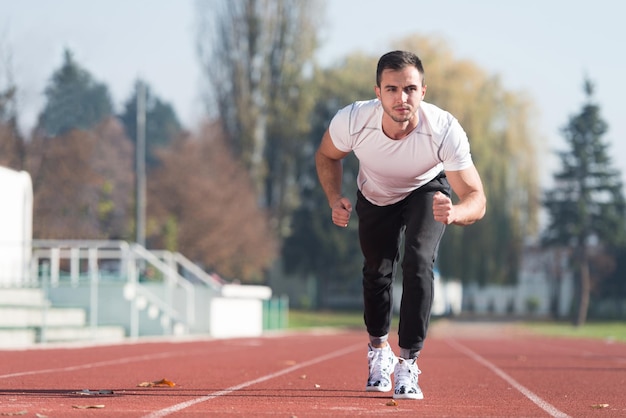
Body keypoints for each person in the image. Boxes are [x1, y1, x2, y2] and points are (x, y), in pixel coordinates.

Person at [314, 50, 486, 400]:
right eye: (391, 89)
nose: (401, 98)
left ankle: (408, 364)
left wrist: (455, 212)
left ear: (423, 90)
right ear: (377, 92)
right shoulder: (353, 120)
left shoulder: (443, 129)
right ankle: (379, 352)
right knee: (377, 270)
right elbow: (327, 155)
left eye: (409, 89)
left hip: (426, 189)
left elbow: (476, 197)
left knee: (419, 261)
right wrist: (334, 198)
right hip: (375, 193)